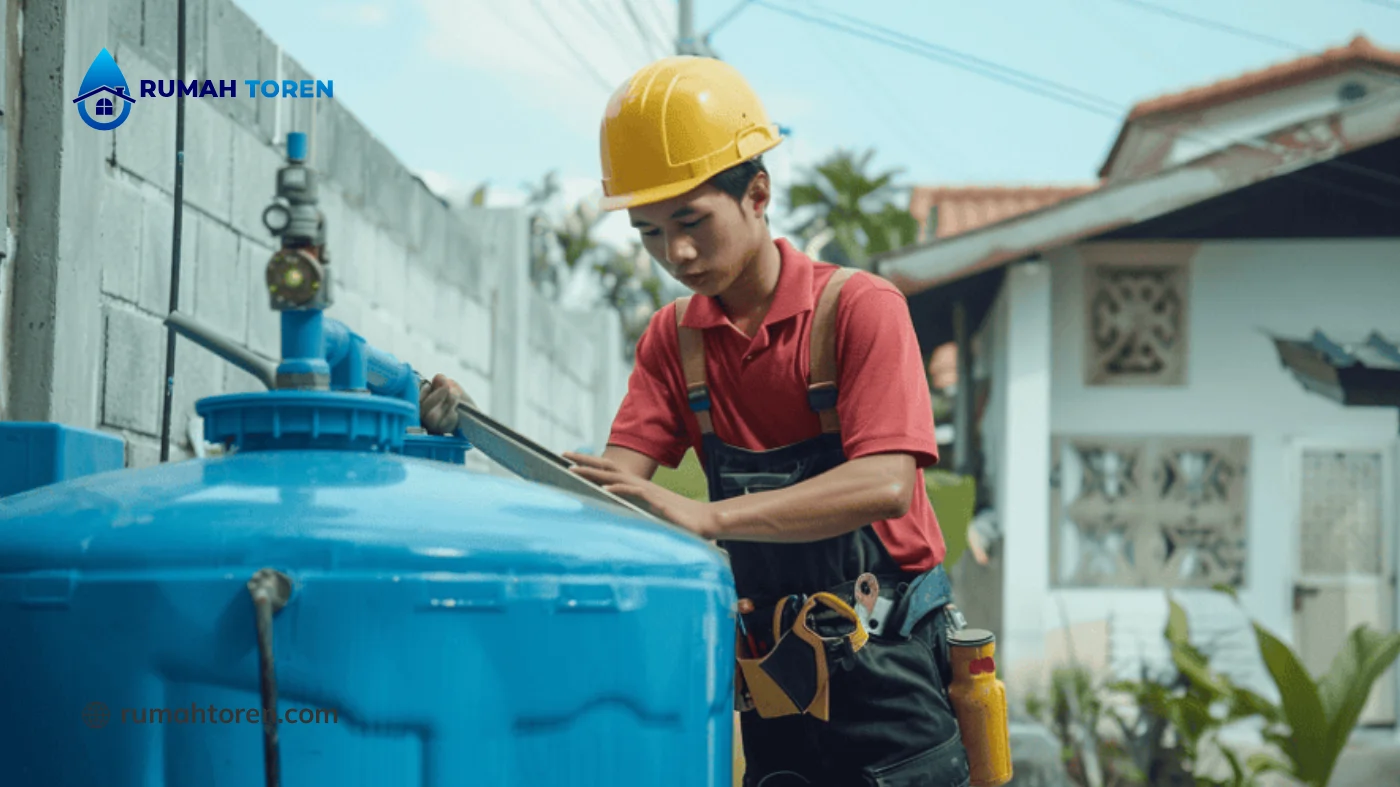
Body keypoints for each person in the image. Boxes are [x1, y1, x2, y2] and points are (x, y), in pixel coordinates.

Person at [419, 56, 971, 787]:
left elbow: (884, 484)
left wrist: (710, 517)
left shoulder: (858, 310)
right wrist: (477, 426)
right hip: (773, 680)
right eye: (648, 232)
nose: (674, 254)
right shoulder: (674, 341)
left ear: (758, 194)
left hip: (888, 669)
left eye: (691, 222)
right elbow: (613, 491)